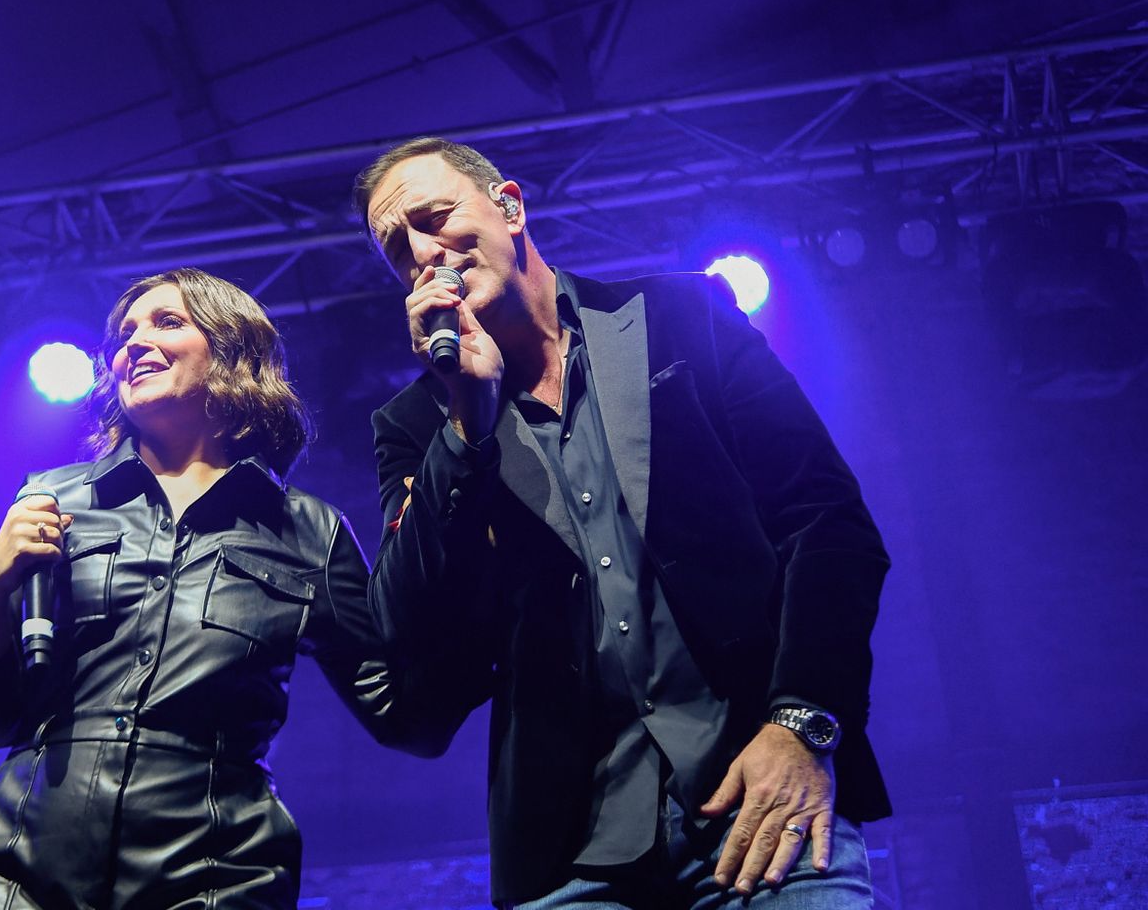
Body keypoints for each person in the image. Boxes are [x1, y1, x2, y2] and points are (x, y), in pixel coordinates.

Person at [355, 138, 893, 908]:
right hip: (573, 855)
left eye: (433, 218)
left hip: (762, 797)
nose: (420, 252)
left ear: (509, 207)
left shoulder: (683, 318)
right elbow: (405, 627)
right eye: (396, 248)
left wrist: (802, 722)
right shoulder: (417, 425)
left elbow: (826, 524)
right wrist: (466, 423)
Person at [0, 267, 432, 910]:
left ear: (233, 351)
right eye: (123, 334)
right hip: (22, 870)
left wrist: (449, 539)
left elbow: (403, 712)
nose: (133, 344)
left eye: (167, 322)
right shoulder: (52, 499)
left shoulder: (308, 530)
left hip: (216, 874)